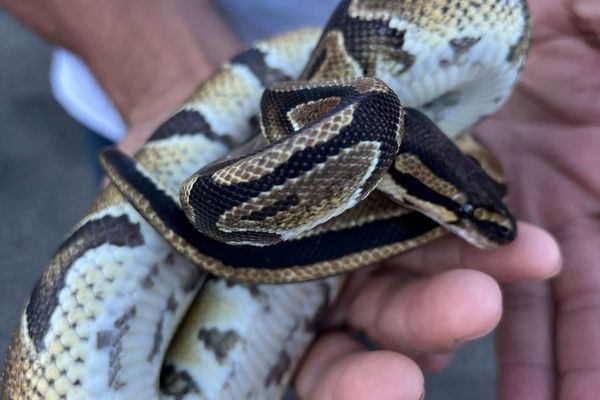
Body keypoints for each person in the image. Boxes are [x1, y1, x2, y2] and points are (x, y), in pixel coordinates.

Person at [1, 1, 598, 399]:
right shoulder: (363, 126)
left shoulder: (377, 125)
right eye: (464, 212)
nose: (476, 224)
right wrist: (162, 75)